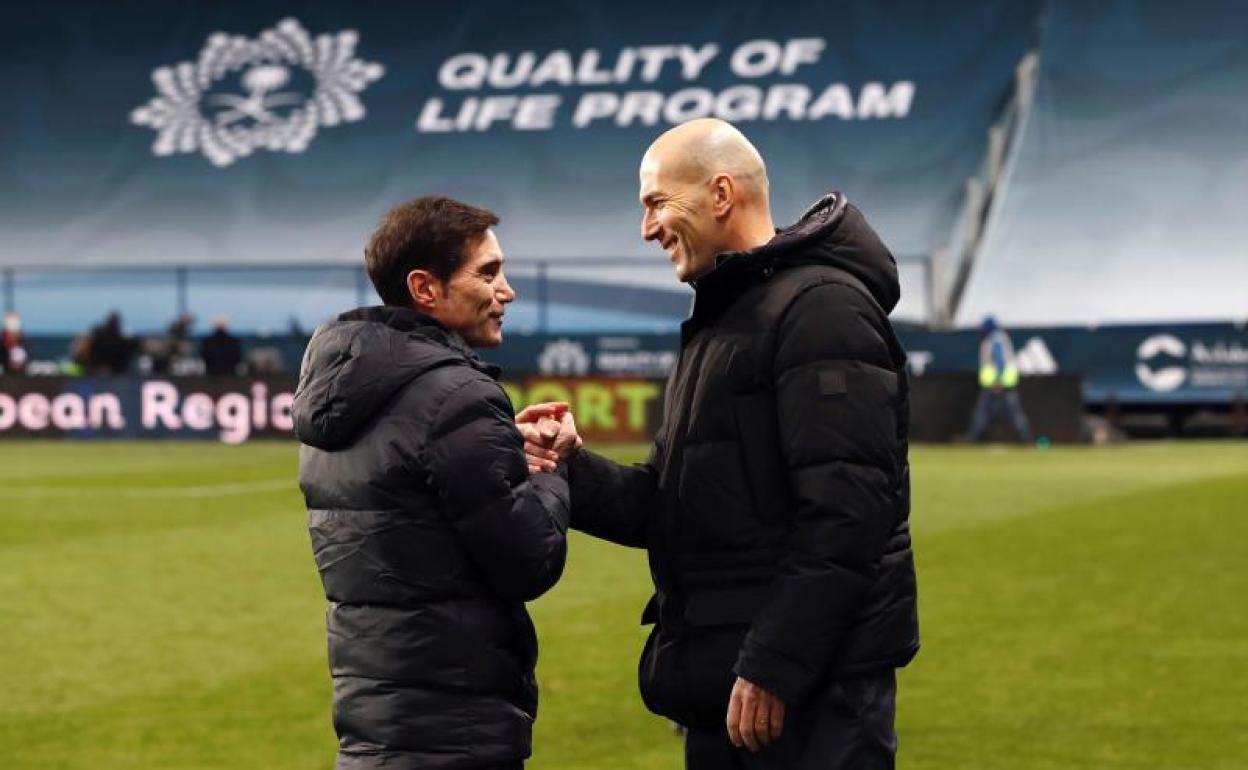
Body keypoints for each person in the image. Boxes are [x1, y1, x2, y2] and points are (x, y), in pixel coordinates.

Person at [520, 119, 918, 770]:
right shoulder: (727, 318)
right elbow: (672, 507)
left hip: (801, 694)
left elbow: (849, 514)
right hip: (731, 682)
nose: (647, 229)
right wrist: (571, 466)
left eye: (656, 203)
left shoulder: (822, 311)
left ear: (722, 194)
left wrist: (774, 665)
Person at [293, 196, 571, 770]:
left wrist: (495, 449)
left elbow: (415, 490)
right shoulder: (456, 394)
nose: (507, 290)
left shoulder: (341, 393)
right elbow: (530, 559)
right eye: (488, 272)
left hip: (374, 719)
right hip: (456, 727)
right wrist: (550, 470)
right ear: (425, 289)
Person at [966, 315, 1033, 443]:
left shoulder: (995, 339)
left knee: (985, 413)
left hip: (997, 384)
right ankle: (1027, 440)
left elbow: (1000, 361)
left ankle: (971, 439)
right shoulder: (1001, 338)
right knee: (1011, 414)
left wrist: (998, 381)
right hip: (1002, 383)